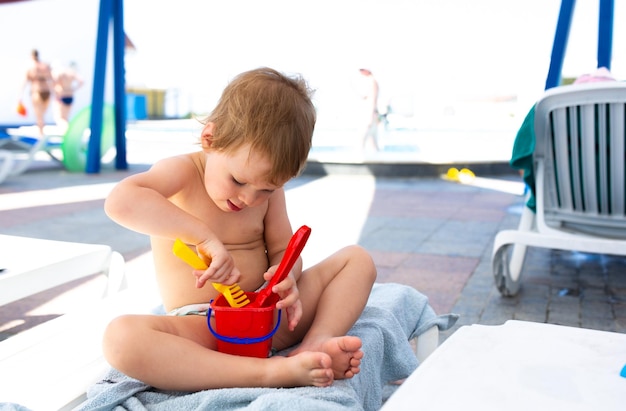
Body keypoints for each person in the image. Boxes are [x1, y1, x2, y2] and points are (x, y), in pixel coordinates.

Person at [103, 67, 377, 391]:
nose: (250, 198)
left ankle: (315, 346)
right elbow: (119, 201)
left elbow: (282, 250)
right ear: (210, 139)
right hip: (206, 327)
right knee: (121, 339)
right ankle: (271, 374)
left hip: (270, 319)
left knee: (357, 260)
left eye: (266, 189)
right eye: (239, 180)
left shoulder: (266, 192)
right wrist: (203, 237)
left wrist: (286, 276)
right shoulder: (181, 172)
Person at [23, 49, 53, 136]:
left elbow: (24, 81)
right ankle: (42, 132)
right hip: (47, 91)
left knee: (39, 115)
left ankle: (41, 135)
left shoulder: (31, 67)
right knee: (42, 115)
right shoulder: (45, 66)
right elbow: (52, 79)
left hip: (36, 90)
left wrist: (19, 97)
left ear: (31, 56)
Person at [355, 68, 380, 151]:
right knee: (372, 142)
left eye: (362, 70)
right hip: (370, 115)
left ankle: (359, 160)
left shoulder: (372, 82)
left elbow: (373, 100)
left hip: (370, 115)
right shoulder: (370, 82)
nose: (360, 72)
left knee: (362, 139)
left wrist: (370, 116)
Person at [53, 61, 83, 129]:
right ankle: (66, 132)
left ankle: (67, 130)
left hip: (62, 95)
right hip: (70, 95)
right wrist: (74, 89)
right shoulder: (72, 73)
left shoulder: (61, 73)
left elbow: (54, 81)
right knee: (65, 118)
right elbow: (81, 81)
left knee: (59, 118)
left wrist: (56, 89)